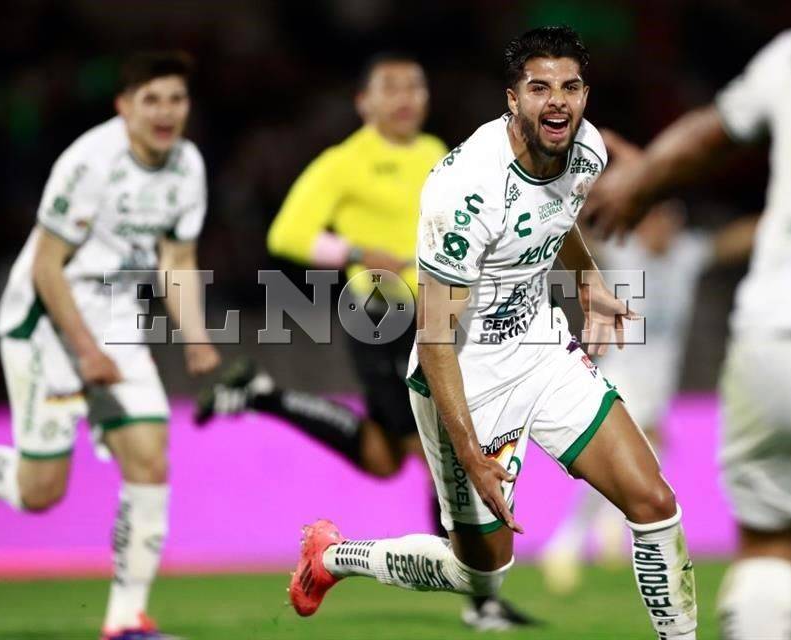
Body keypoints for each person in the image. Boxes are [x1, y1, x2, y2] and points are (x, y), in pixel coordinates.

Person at [287, 26, 698, 639]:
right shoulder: (467, 190)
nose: (557, 101)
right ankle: (332, 557)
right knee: (482, 573)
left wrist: (585, 282)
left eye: (571, 87)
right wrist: (473, 454)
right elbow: (433, 337)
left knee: (655, 503)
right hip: (463, 375)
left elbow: (554, 219)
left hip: (542, 351)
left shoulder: (585, 149)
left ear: (586, 94)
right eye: (539, 88)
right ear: (513, 99)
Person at [196, 52, 534, 630]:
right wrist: (353, 253)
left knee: (386, 457)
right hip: (377, 314)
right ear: (364, 102)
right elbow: (288, 231)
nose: (405, 97)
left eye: (415, 85)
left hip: (433, 315)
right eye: (391, 87)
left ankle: (262, 395)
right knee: (438, 454)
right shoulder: (343, 162)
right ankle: (481, 599)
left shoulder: (434, 152)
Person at [0, 51, 219, 640]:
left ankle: (126, 621)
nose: (165, 112)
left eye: (176, 99)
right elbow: (48, 267)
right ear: (124, 107)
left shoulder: (188, 166)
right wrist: (84, 351)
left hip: (117, 321)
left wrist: (196, 338)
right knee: (40, 492)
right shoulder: (88, 162)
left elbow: (177, 257)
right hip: (46, 323)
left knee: (150, 458)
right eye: (151, 99)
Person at [581, 18, 791, 640]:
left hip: (783, 325)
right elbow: (589, 239)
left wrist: (639, 178)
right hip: (622, 369)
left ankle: (586, 540)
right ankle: (587, 540)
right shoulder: (627, 256)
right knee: (637, 456)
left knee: (768, 544)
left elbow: (709, 135)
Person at [541, 195, 757, 594]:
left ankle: (604, 523)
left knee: (651, 455)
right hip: (622, 375)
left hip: (660, 381)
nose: (662, 228)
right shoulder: (623, 251)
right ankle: (566, 543)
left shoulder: (686, 255)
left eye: (669, 221)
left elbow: (730, 242)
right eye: (654, 219)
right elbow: (580, 240)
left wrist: (779, 217)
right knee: (623, 460)